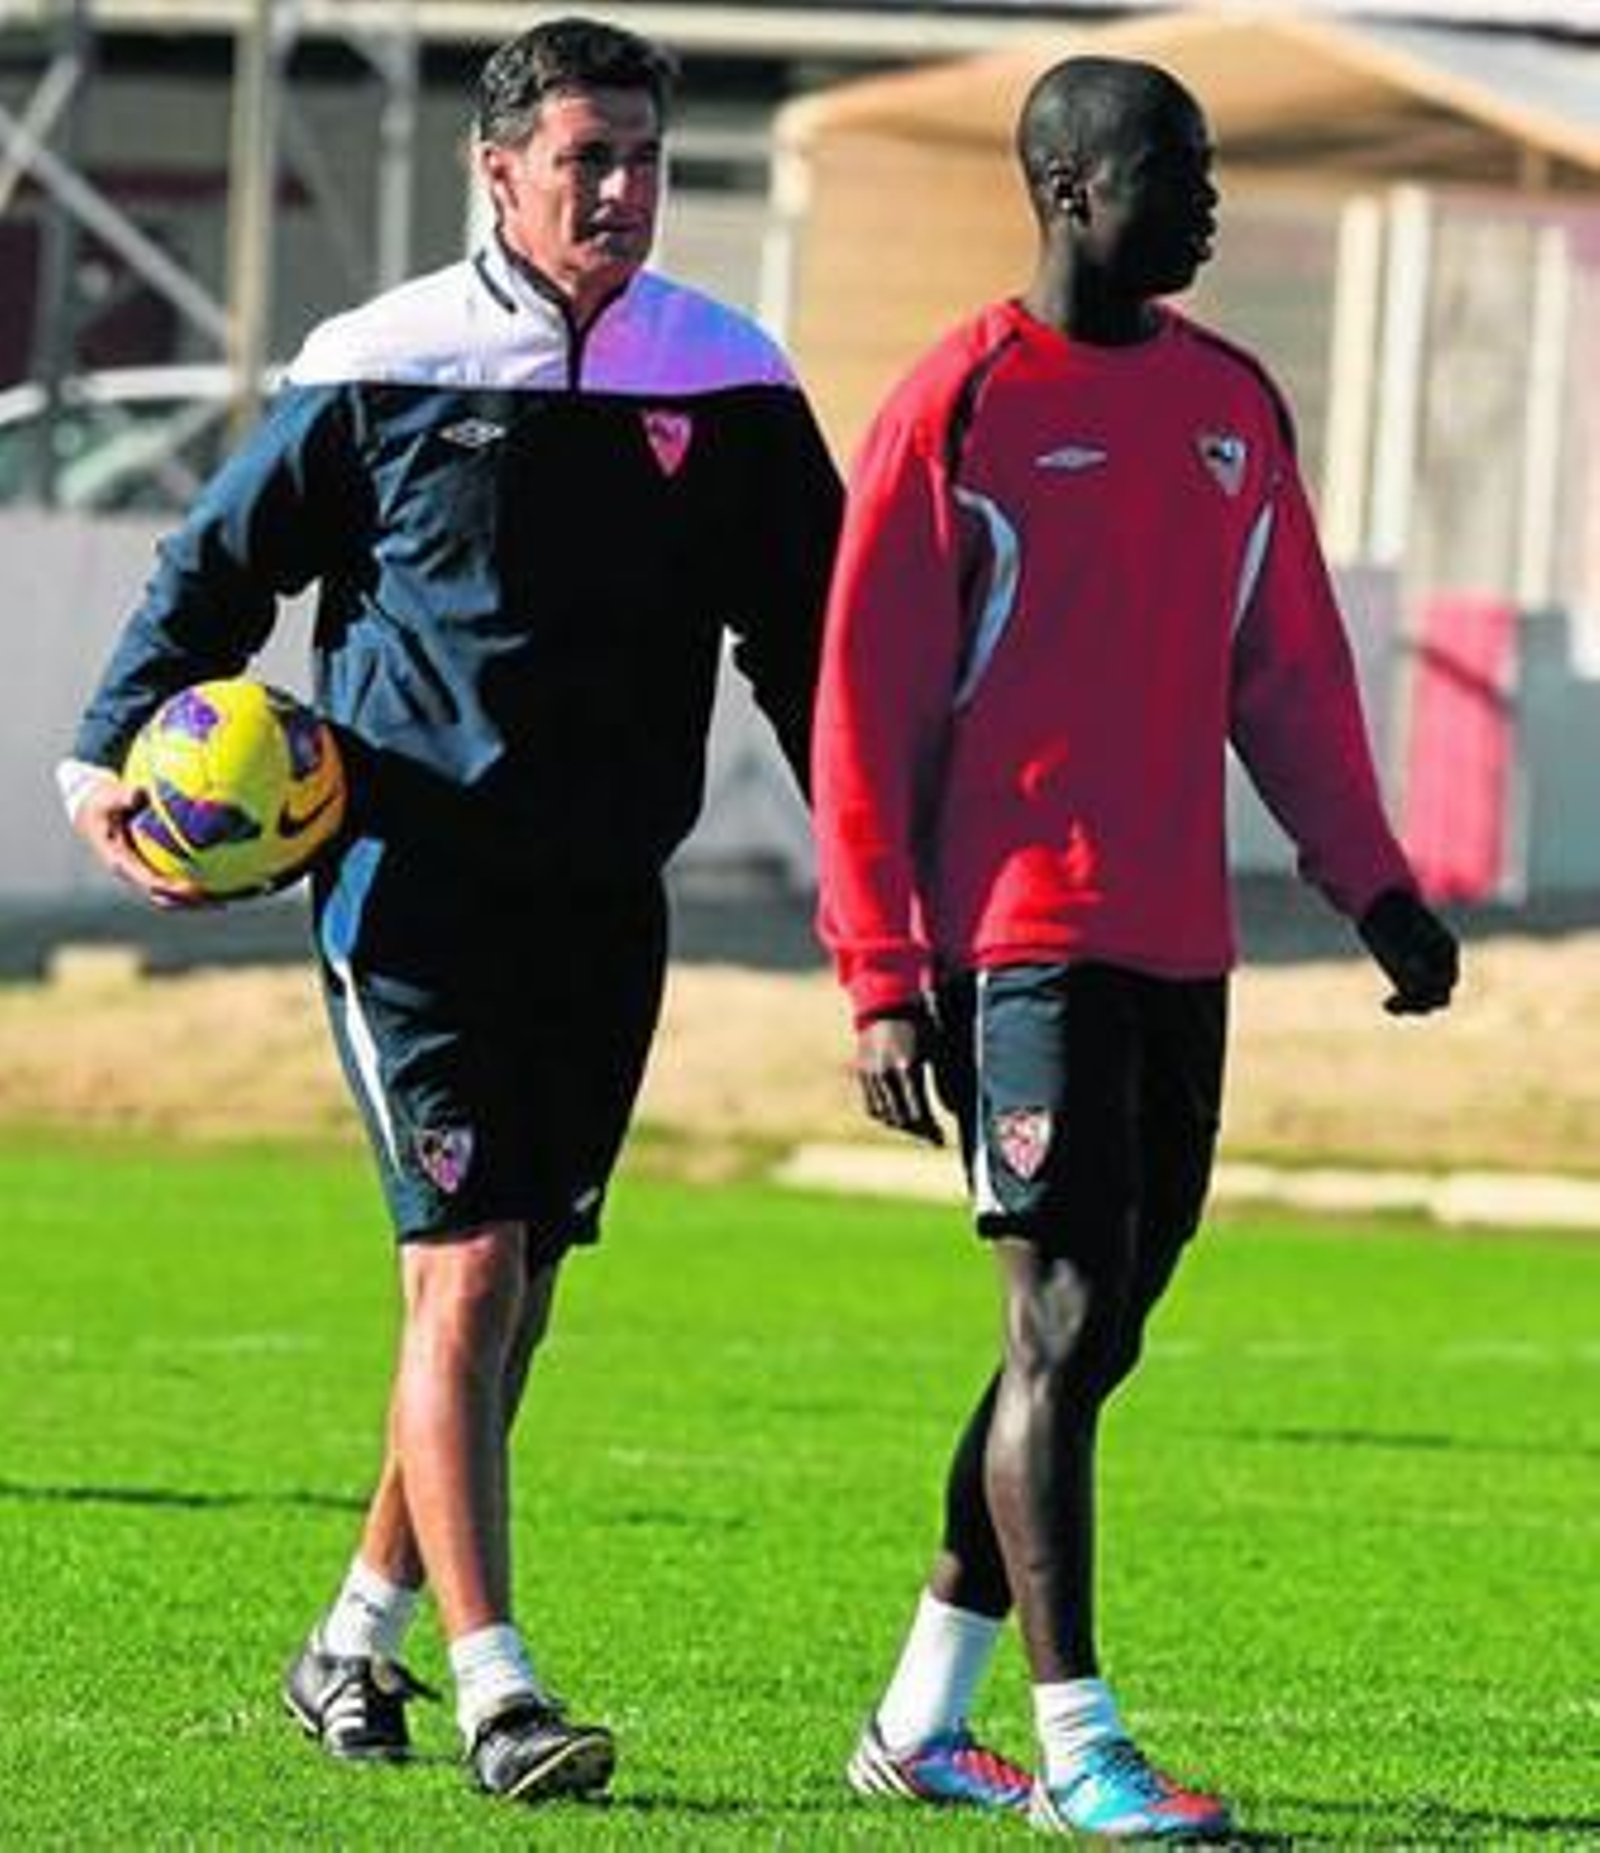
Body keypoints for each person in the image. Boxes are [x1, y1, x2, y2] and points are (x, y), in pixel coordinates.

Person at [58, 15, 841, 1809]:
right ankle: (500, 1689)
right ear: (498, 171)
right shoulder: (381, 359)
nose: (624, 191)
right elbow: (214, 572)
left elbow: (813, 656)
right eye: (588, 159)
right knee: (466, 1266)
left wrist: (883, 866)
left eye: (643, 156)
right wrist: (108, 753)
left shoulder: (727, 379)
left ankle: (356, 1629)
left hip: (605, 901)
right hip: (411, 893)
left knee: (518, 1297)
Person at [812, 54, 1458, 1842]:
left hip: (1184, 941)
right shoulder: (957, 404)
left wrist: (1371, 883)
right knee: (1064, 1315)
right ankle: (1080, 1737)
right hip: (1019, 940)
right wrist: (880, 967)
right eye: (1179, 167)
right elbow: (863, 709)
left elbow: (1292, 675)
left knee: (1099, 1336)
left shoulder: (1236, 406)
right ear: (1072, 189)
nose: (1212, 198)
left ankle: (921, 1720)